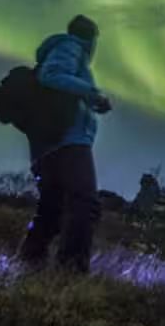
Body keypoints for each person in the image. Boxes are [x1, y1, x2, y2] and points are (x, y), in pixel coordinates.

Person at [17, 14, 113, 273]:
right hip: (69, 143)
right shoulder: (71, 48)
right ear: (91, 38)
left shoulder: (61, 50)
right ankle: (71, 271)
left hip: (46, 147)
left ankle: (28, 264)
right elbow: (53, 75)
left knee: (52, 210)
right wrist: (94, 94)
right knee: (84, 203)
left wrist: (90, 100)